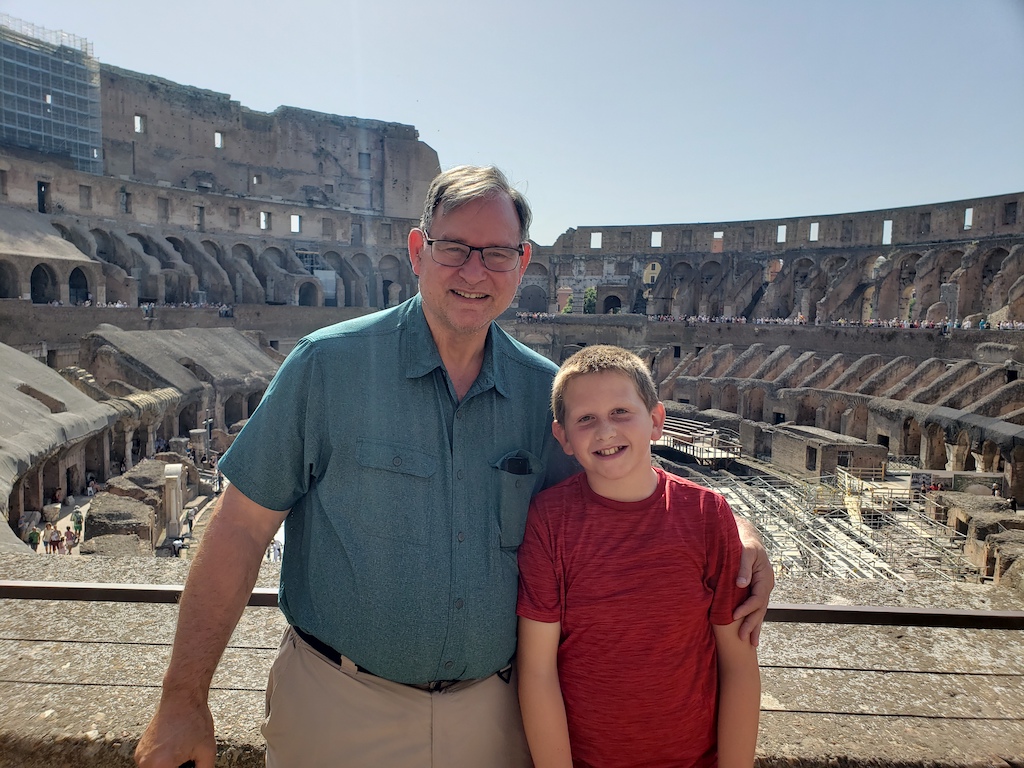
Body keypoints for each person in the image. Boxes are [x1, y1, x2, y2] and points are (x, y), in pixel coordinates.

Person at [134, 166, 774, 768]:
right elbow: (240, 528)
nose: (476, 270)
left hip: (494, 717)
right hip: (337, 705)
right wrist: (183, 698)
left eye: (497, 252)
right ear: (417, 250)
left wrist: (736, 529)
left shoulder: (544, 393)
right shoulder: (327, 367)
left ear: (522, 264)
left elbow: (625, 488)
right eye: (454, 248)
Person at [517, 346, 760, 767]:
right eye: (586, 419)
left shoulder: (707, 515)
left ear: (656, 421)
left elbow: (738, 663)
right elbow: (537, 671)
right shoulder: (548, 521)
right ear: (564, 439)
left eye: (621, 412)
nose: (605, 431)